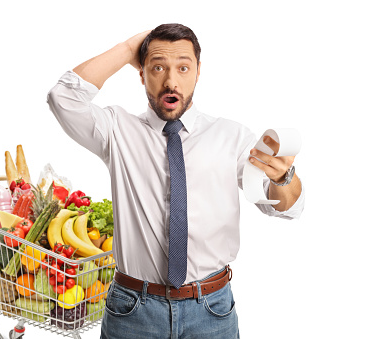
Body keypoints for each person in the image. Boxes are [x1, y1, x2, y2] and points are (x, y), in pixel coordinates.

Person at [47, 23, 304, 339]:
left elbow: (286, 208)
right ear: (141, 74)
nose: (171, 81)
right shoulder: (116, 130)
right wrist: (129, 48)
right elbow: (63, 98)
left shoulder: (231, 137)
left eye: (183, 67)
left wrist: (284, 176)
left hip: (212, 309)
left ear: (198, 72)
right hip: (132, 310)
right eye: (158, 67)